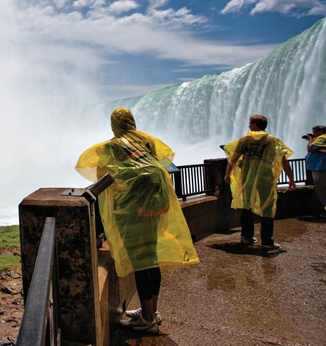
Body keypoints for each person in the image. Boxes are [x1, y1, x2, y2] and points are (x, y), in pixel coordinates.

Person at [76, 108, 199, 334]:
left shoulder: (112, 146)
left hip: (132, 210)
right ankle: (152, 310)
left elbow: (99, 170)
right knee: (151, 258)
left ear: (114, 124)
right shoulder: (146, 140)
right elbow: (166, 160)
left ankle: (148, 320)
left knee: (141, 262)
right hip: (156, 204)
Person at [224, 115, 295, 250]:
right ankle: (267, 241)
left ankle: (246, 237)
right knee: (267, 207)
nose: (249, 125)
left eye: (250, 123)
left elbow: (233, 159)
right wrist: (291, 180)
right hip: (265, 178)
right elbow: (284, 162)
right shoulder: (273, 141)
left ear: (256, 125)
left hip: (247, 178)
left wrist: (227, 174)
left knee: (247, 206)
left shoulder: (245, 140)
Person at [304, 125, 326, 219]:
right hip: (319, 168)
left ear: (321, 131)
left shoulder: (322, 137)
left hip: (320, 168)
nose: (313, 134)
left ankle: (325, 211)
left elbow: (311, 148)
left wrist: (310, 140)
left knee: (321, 192)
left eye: (315, 132)